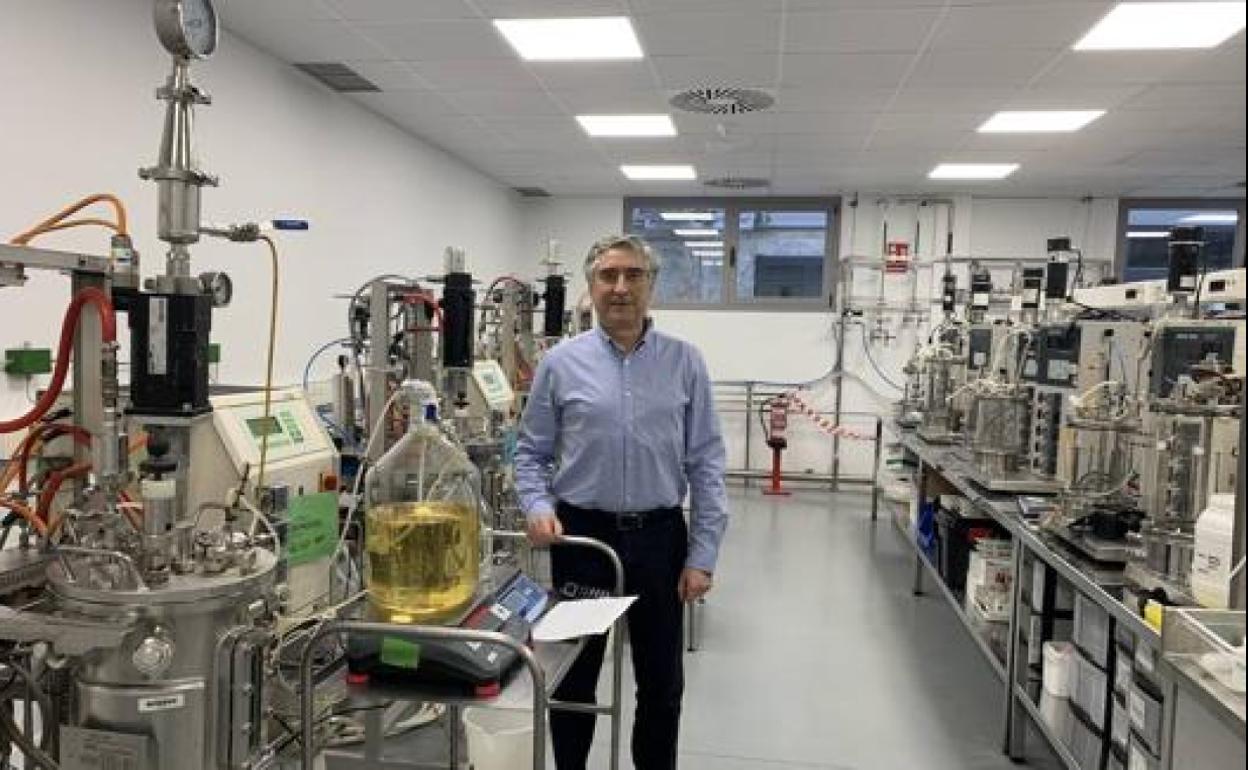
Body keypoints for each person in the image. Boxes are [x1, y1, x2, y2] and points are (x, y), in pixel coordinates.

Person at [515, 234, 729, 770]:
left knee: (661, 684)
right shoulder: (560, 364)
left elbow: (706, 461)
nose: (620, 287)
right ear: (591, 287)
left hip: (660, 539)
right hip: (583, 539)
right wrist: (538, 506)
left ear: (651, 286)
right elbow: (531, 452)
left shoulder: (685, 363)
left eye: (633, 275)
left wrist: (702, 554)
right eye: (608, 276)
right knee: (573, 677)